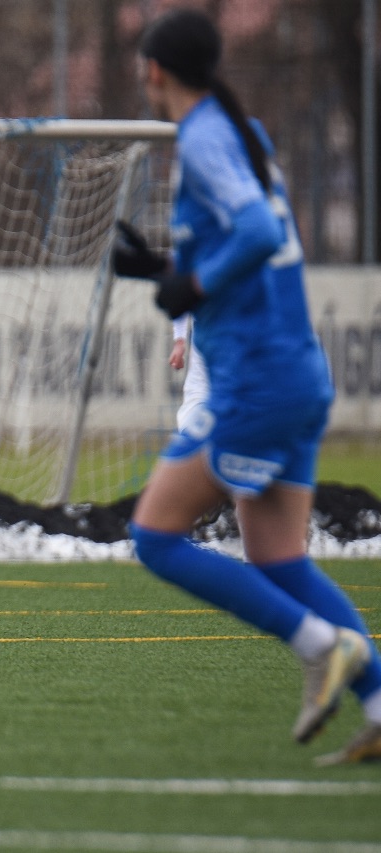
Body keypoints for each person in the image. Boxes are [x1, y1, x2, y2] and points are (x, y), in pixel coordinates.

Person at [113, 8, 380, 765]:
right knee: (279, 560)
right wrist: (164, 269)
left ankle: (319, 644)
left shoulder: (204, 138)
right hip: (296, 374)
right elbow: (251, 244)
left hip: (258, 382)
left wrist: (190, 285)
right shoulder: (243, 133)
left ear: (155, 70)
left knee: (154, 537)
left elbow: (257, 235)